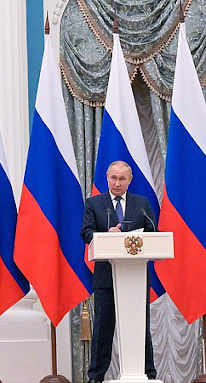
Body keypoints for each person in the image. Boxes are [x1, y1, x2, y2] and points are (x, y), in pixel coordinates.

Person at [80, 160, 157, 383]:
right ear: (107, 177)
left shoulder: (141, 203)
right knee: (103, 328)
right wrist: (106, 235)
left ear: (130, 180)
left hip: (135, 277)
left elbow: (153, 232)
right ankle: (96, 377)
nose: (117, 183)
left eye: (122, 178)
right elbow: (86, 233)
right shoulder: (94, 203)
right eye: (113, 178)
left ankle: (148, 375)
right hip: (106, 277)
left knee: (140, 327)